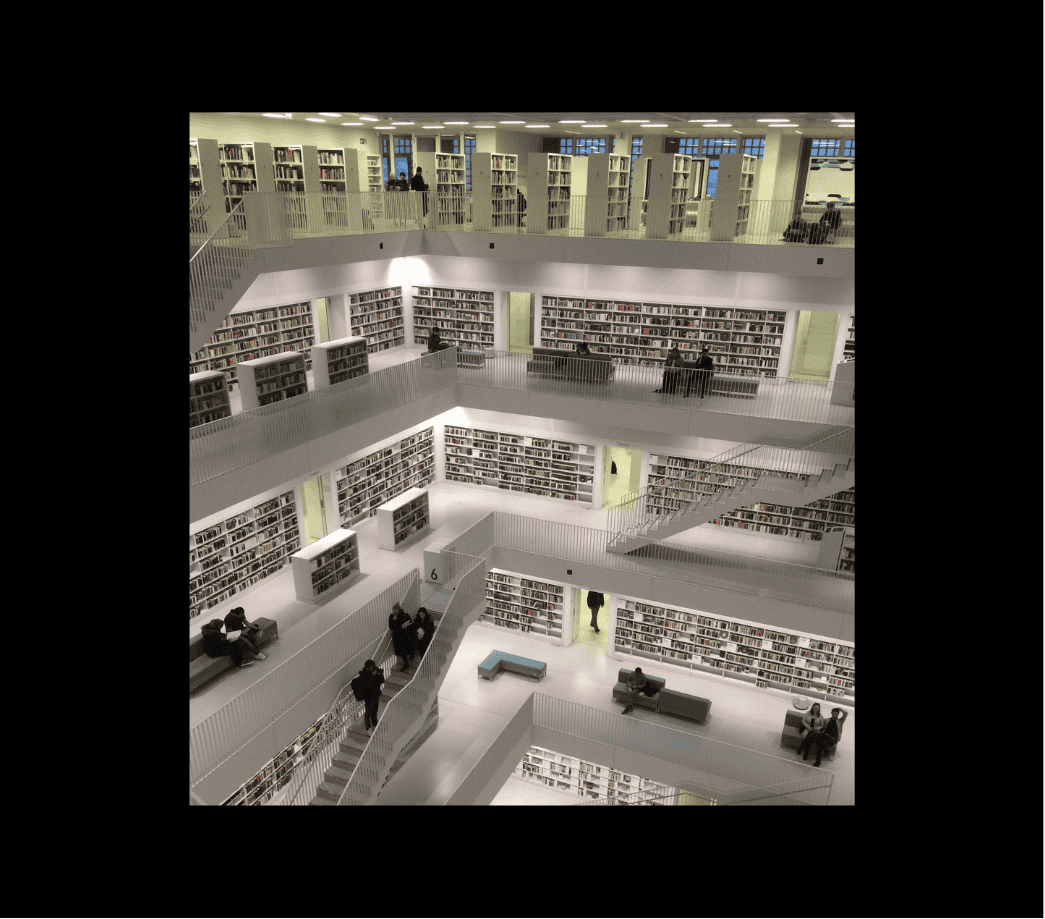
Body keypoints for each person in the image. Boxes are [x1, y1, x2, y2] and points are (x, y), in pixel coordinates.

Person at [357, 659, 385, 734]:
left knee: (374, 712)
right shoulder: (363, 675)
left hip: (376, 694)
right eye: (372, 668)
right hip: (369, 697)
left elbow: (382, 681)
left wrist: (379, 675)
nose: (373, 669)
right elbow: (368, 686)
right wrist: (373, 676)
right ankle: (368, 729)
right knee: (368, 713)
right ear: (367, 668)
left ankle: (375, 726)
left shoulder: (374, 672)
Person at [388, 603, 417, 672]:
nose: (395, 612)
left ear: (399, 609)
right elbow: (391, 627)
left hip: (405, 635)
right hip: (398, 637)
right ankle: (406, 663)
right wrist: (396, 622)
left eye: (396, 610)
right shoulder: (392, 617)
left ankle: (411, 656)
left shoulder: (405, 615)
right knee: (402, 651)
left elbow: (410, 623)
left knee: (407, 648)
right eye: (394, 610)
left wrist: (406, 626)